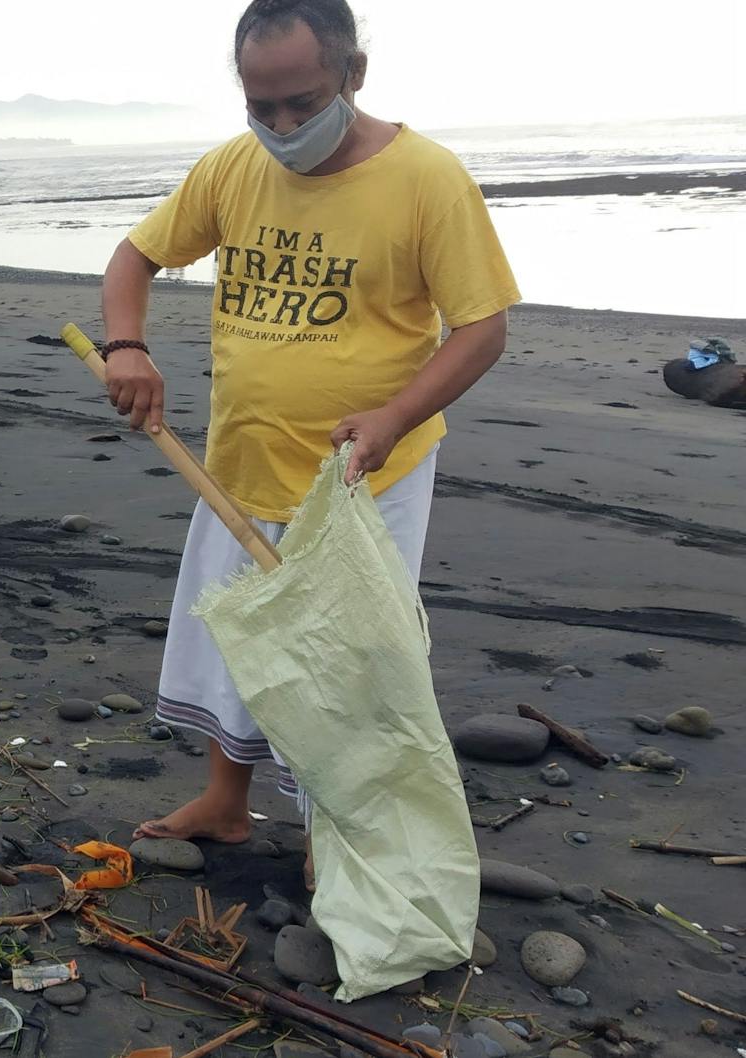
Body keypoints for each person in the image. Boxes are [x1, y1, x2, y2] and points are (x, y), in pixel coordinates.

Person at [101, 0, 518, 875]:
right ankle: (227, 801)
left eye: (303, 102)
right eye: (262, 107)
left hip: (367, 475)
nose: (283, 127)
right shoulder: (233, 169)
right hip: (242, 460)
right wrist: (128, 345)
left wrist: (394, 416)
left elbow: (481, 328)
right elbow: (134, 258)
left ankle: (349, 829)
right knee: (243, 636)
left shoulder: (426, 179)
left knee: (351, 656)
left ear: (353, 76)